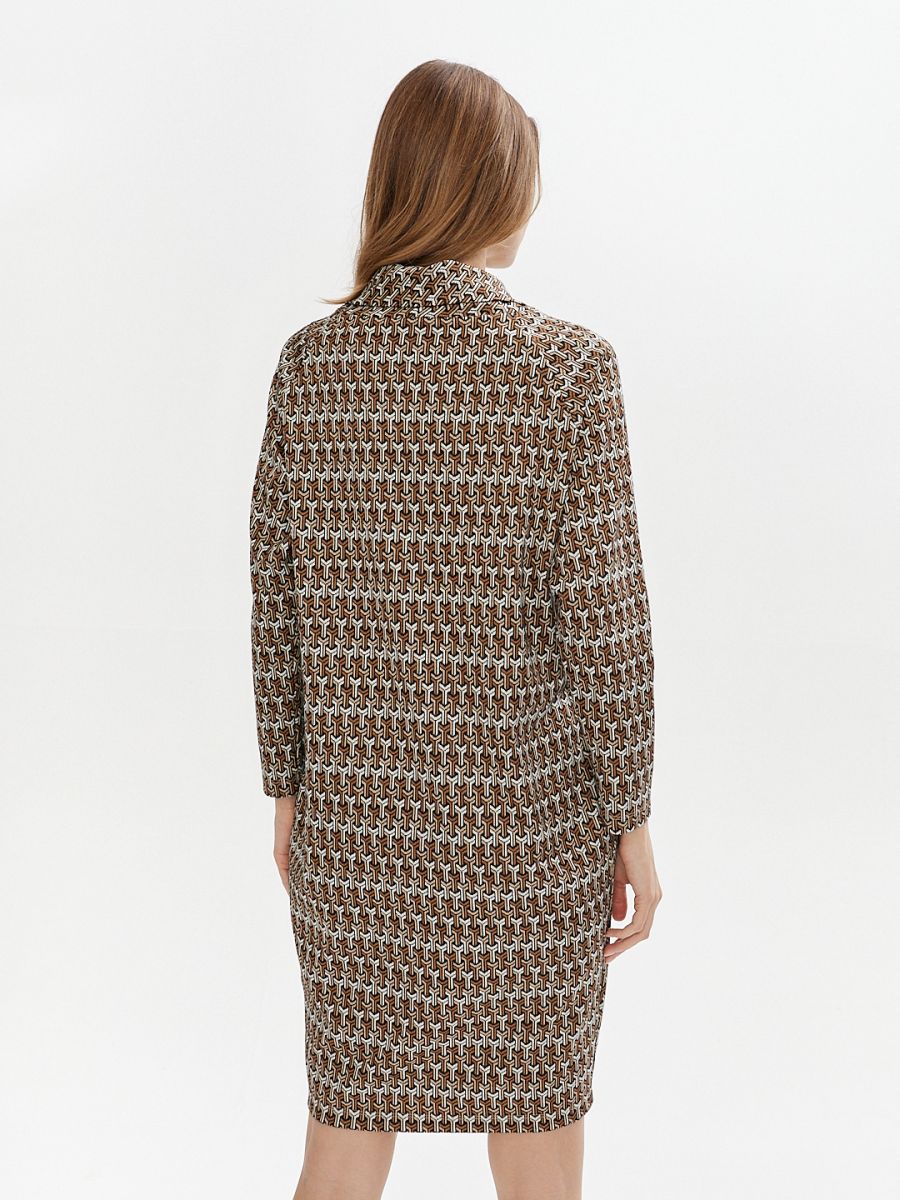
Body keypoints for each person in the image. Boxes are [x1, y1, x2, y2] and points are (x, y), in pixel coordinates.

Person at [249, 58, 662, 1200]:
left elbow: (275, 600)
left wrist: (288, 788)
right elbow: (607, 624)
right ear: (491, 189)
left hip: (356, 831)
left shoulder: (310, 369)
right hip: (532, 838)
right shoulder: (568, 372)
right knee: (538, 1149)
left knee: (341, 1143)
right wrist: (631, 820)